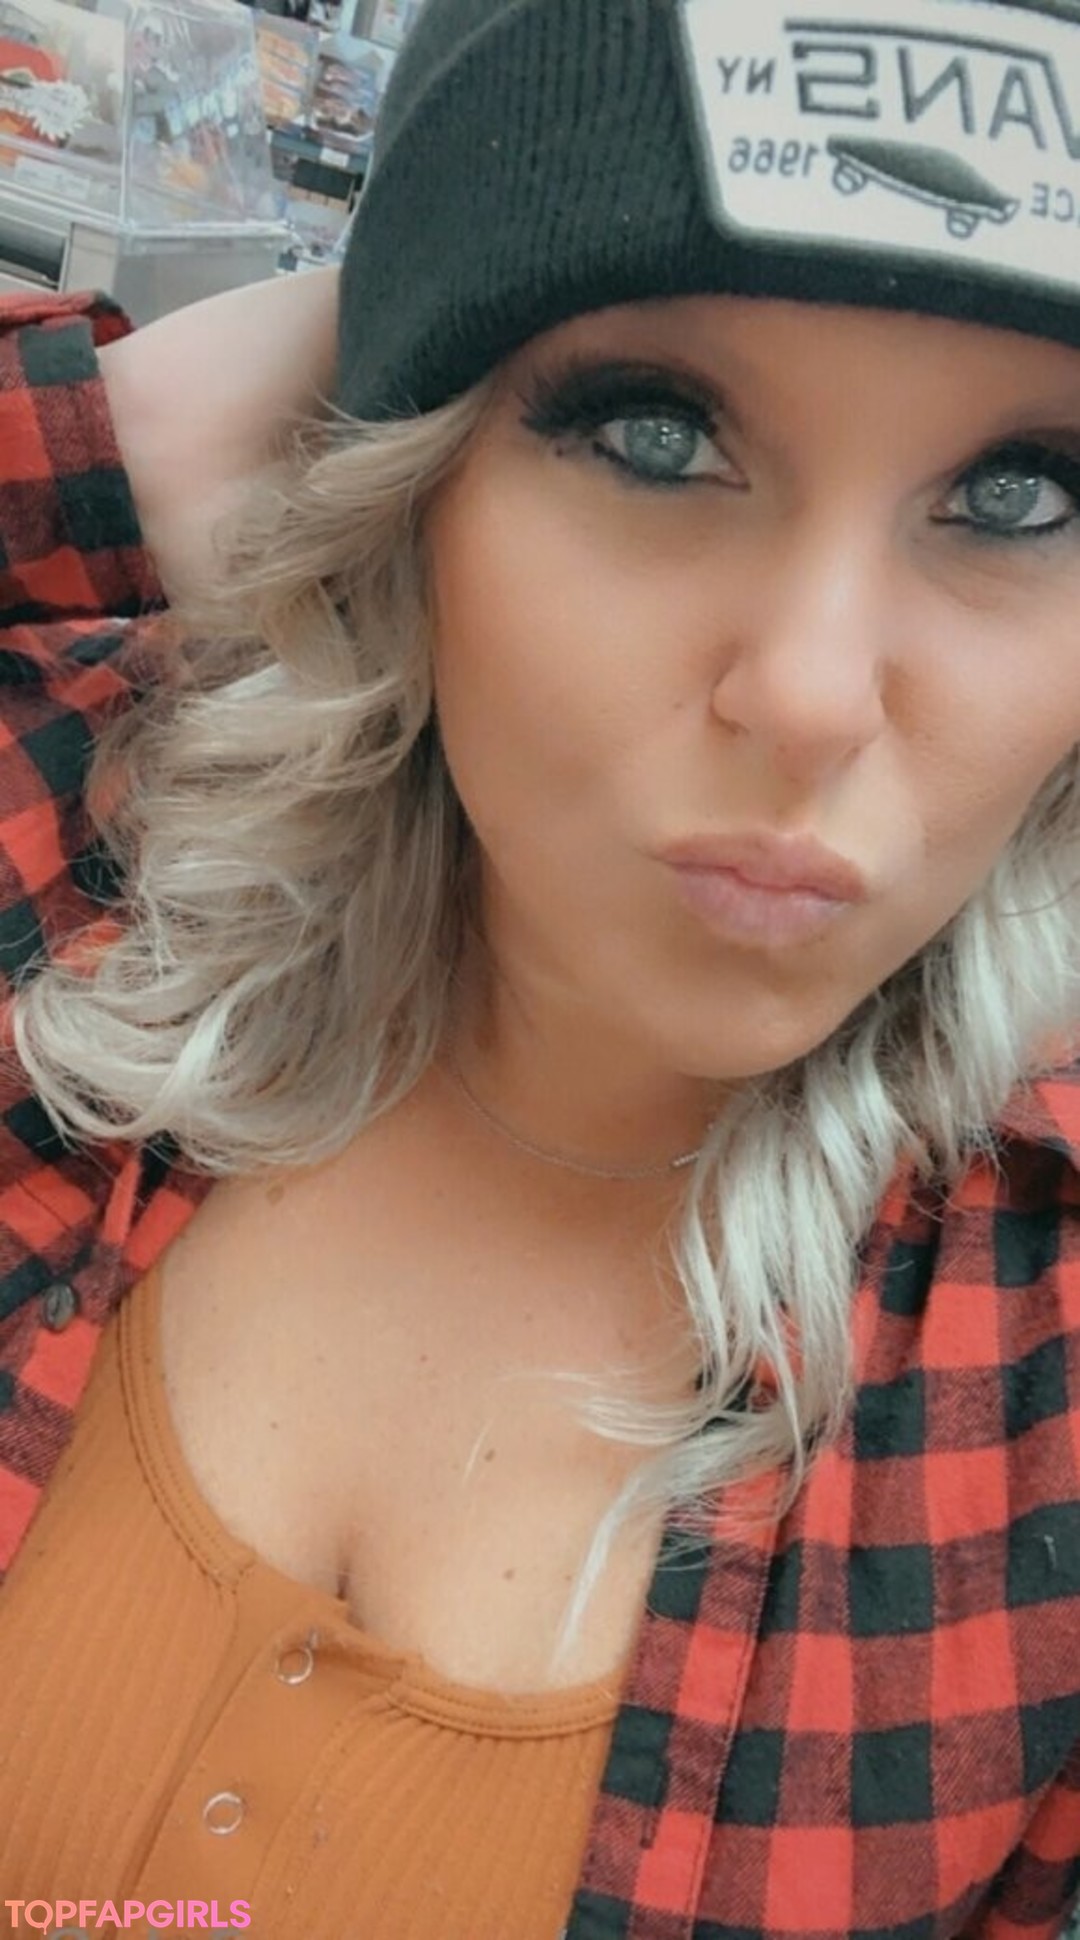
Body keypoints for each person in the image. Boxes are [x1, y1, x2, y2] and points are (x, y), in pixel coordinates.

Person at [0, 0, 1078, 1934]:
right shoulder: (70, 844)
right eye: (656, 434)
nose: (813, 694)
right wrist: (148, 427)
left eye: (1017, 497)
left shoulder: (1042, 1368)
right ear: (412, 486)